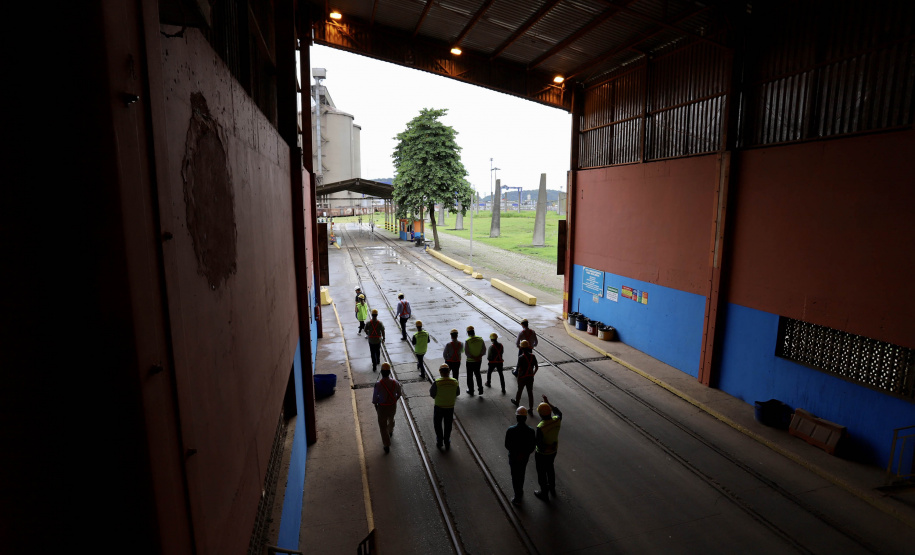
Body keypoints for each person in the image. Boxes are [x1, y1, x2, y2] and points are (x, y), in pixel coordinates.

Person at [504, 405, 536, 505]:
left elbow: (507, 445)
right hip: (524, 458)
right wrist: (523, 454)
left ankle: (517, 496)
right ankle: (520, 491)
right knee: (521, 473)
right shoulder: (531, 431)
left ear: (517, 417)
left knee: (515, 475)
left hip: (513, 457)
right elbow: (532, 446)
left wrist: (516, 453)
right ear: (525, 418)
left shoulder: (511, 430)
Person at [534, 395, 563, 500]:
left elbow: (540, 445)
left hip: (542, 454)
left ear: (540, 414)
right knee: (550, 469)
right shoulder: (556, 420)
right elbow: (558, 412)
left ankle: (544, 493)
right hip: (553, 452)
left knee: (542, 472)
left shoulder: (541, 427)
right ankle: (552, 488)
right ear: (550, 412)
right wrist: (548, 403)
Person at [372, 362, 402, 454]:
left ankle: (386, 444)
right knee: (391, 418)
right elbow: (399, 394)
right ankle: (390, 430)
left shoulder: (378, 384)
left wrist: (377, 407)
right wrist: (394, 400)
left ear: (381, 372)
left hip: (382, 407)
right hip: (392, 406)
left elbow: (374, 399)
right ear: (389, 372)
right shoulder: (395, 383)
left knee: (382, 426)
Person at [429, 364, 460, 450]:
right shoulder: (454, 381)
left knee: (437, 424)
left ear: (440, 372)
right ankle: (447, 441)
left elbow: (432, 394)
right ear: (449, 372)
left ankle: (439, 441)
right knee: (448, 424)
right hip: (450, 407)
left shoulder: (437, 382)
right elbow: (457, 393)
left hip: (439, 406)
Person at [510, 340, 538, 410]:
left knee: (520, 390)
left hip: (522, 377)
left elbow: (519, 369)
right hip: (530, 377)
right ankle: (531, 408)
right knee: (530, 393)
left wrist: (518, 378)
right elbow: (536, 367)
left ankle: (517, 401)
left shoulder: (521, 357)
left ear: (521, 348)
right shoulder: (533, 356)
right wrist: (533, 374)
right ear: (528, 347)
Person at [463, 326, 485, 396]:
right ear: (474, 332)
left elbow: (467, 353)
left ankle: (471, 390)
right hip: (478, 361)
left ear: (468, 333)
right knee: (478, 374)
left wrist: (474, 358)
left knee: (470, 376)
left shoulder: (468, 341)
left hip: (470, 361)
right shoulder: (480, 339)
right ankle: (480, 389)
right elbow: (484, 350)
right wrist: (478, 357)